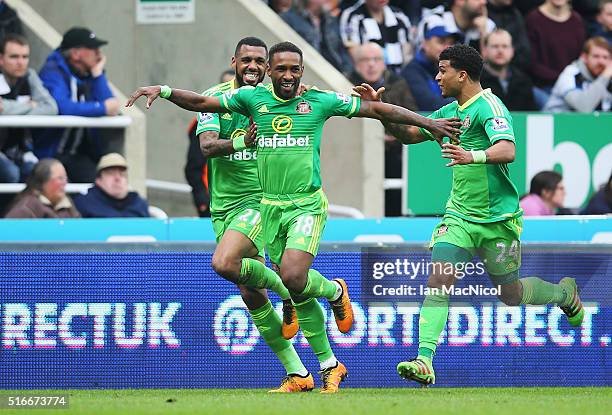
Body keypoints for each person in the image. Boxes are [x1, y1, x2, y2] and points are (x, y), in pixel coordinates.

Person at [126, 40, 462, 393]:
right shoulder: (245, 99)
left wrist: (428, 123)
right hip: (252, 207)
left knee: (248, 267)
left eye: (290, 68)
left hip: (286, 204)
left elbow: (376, 111)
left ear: (299, 72)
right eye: (259, 63)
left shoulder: (316, 100)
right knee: (256, 290)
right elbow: (202, 124)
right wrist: (162, 90)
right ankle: (309, 367)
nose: (266, 69)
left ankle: (314, 295)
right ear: (250, 66)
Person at [353, 44, 584, 386]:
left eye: (442, 70)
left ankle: (565, 294)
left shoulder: (489, 106)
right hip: (459, 217)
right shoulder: (452, 110)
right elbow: (409, 134)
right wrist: (381, 109)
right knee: (439, 280)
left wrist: (471, 156)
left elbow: (508, 149)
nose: (437, 76)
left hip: (497, 221)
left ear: (461, 74)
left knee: (512, 295)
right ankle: (424, 360)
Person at [36, 27, 120, 183]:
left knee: (104, 185)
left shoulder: (90, 73)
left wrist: (98, 74)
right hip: (50, 153)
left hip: (79, 154)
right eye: (93, 49)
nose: (99, 54)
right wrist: (101, 108)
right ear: (76, 54)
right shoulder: (52, 71)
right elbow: (61, 106)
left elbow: (112, 106)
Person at [349, 42, 417, 216]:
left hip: (396, 150)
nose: (371, 64)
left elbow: (412, 115)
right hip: (358, 153)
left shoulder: (399, 84)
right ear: (356, 64)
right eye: (365, 60)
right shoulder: (346, 83)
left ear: (384, 62)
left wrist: (394, 134)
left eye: (376, 59)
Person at [0, 34, 58, 183]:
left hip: (20, 150)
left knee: (41, 176)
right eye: (14, 57)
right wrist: (28, 106)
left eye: (25, 57)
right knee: (11, 174)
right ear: (1, 59)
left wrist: (8, 107)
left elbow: (51, 108)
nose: (21, 63)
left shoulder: (30, 76)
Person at [526, 0, 586, 108]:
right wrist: (561, 79)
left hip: (573, 85)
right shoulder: (533, 19)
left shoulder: (577, 20)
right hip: (543, 86)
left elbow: (581, 57)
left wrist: (567, 80)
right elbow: (531, 62)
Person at [281, 0, 353, 75]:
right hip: (306, 72)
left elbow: (343, 53)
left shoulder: (331, 23)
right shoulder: (289, 18)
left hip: (333, 76)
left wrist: (346, 72)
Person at [340, 0, 412, 72]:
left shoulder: (399, 16)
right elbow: (355, 55)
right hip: (368, 75)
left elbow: (407, 53)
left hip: (398, 75)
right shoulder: (352, 16)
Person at [544, 36, 612, 112]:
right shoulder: (571, 73)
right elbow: (584, 107)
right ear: (584, 57)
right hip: (558, 122)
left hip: (593, 123)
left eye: (605, 57)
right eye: (596, 56)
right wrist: (604, 77)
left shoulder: (609, 77)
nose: (601, 62)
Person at [73, 153, 149, 218]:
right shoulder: (84, 203)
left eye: (122, 174)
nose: (117, 178)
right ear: (98, 180)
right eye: (111, 173)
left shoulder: (139, 204)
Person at [401, 25, 457, 111]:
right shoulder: (412, 71)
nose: (447, 47)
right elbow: (431, 105)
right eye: (441, 42)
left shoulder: (449, 68)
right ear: (425, 44)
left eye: (451, 43)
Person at [480, 29, 537, 110]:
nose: (500, 51)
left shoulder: (523, 82)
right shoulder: (475, 81)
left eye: (505, 46)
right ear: (484, 51)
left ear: (512, 51)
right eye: (495, 46)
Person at [4, 158, 80, 218]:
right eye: (60, 178)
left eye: (65, 178)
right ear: (44, 181)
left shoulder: (68, 205)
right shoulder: (27, 207)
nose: (64, 183)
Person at [417, 0, 496, 53]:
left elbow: (492, 70)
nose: (484, 2)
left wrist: (483, 36)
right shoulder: (435, 21)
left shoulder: (487, 25)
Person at [486, 0, 531, 69]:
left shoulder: (515, 14)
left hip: (514, 72)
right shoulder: (480, 13)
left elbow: (525, 53)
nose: (500, 50)